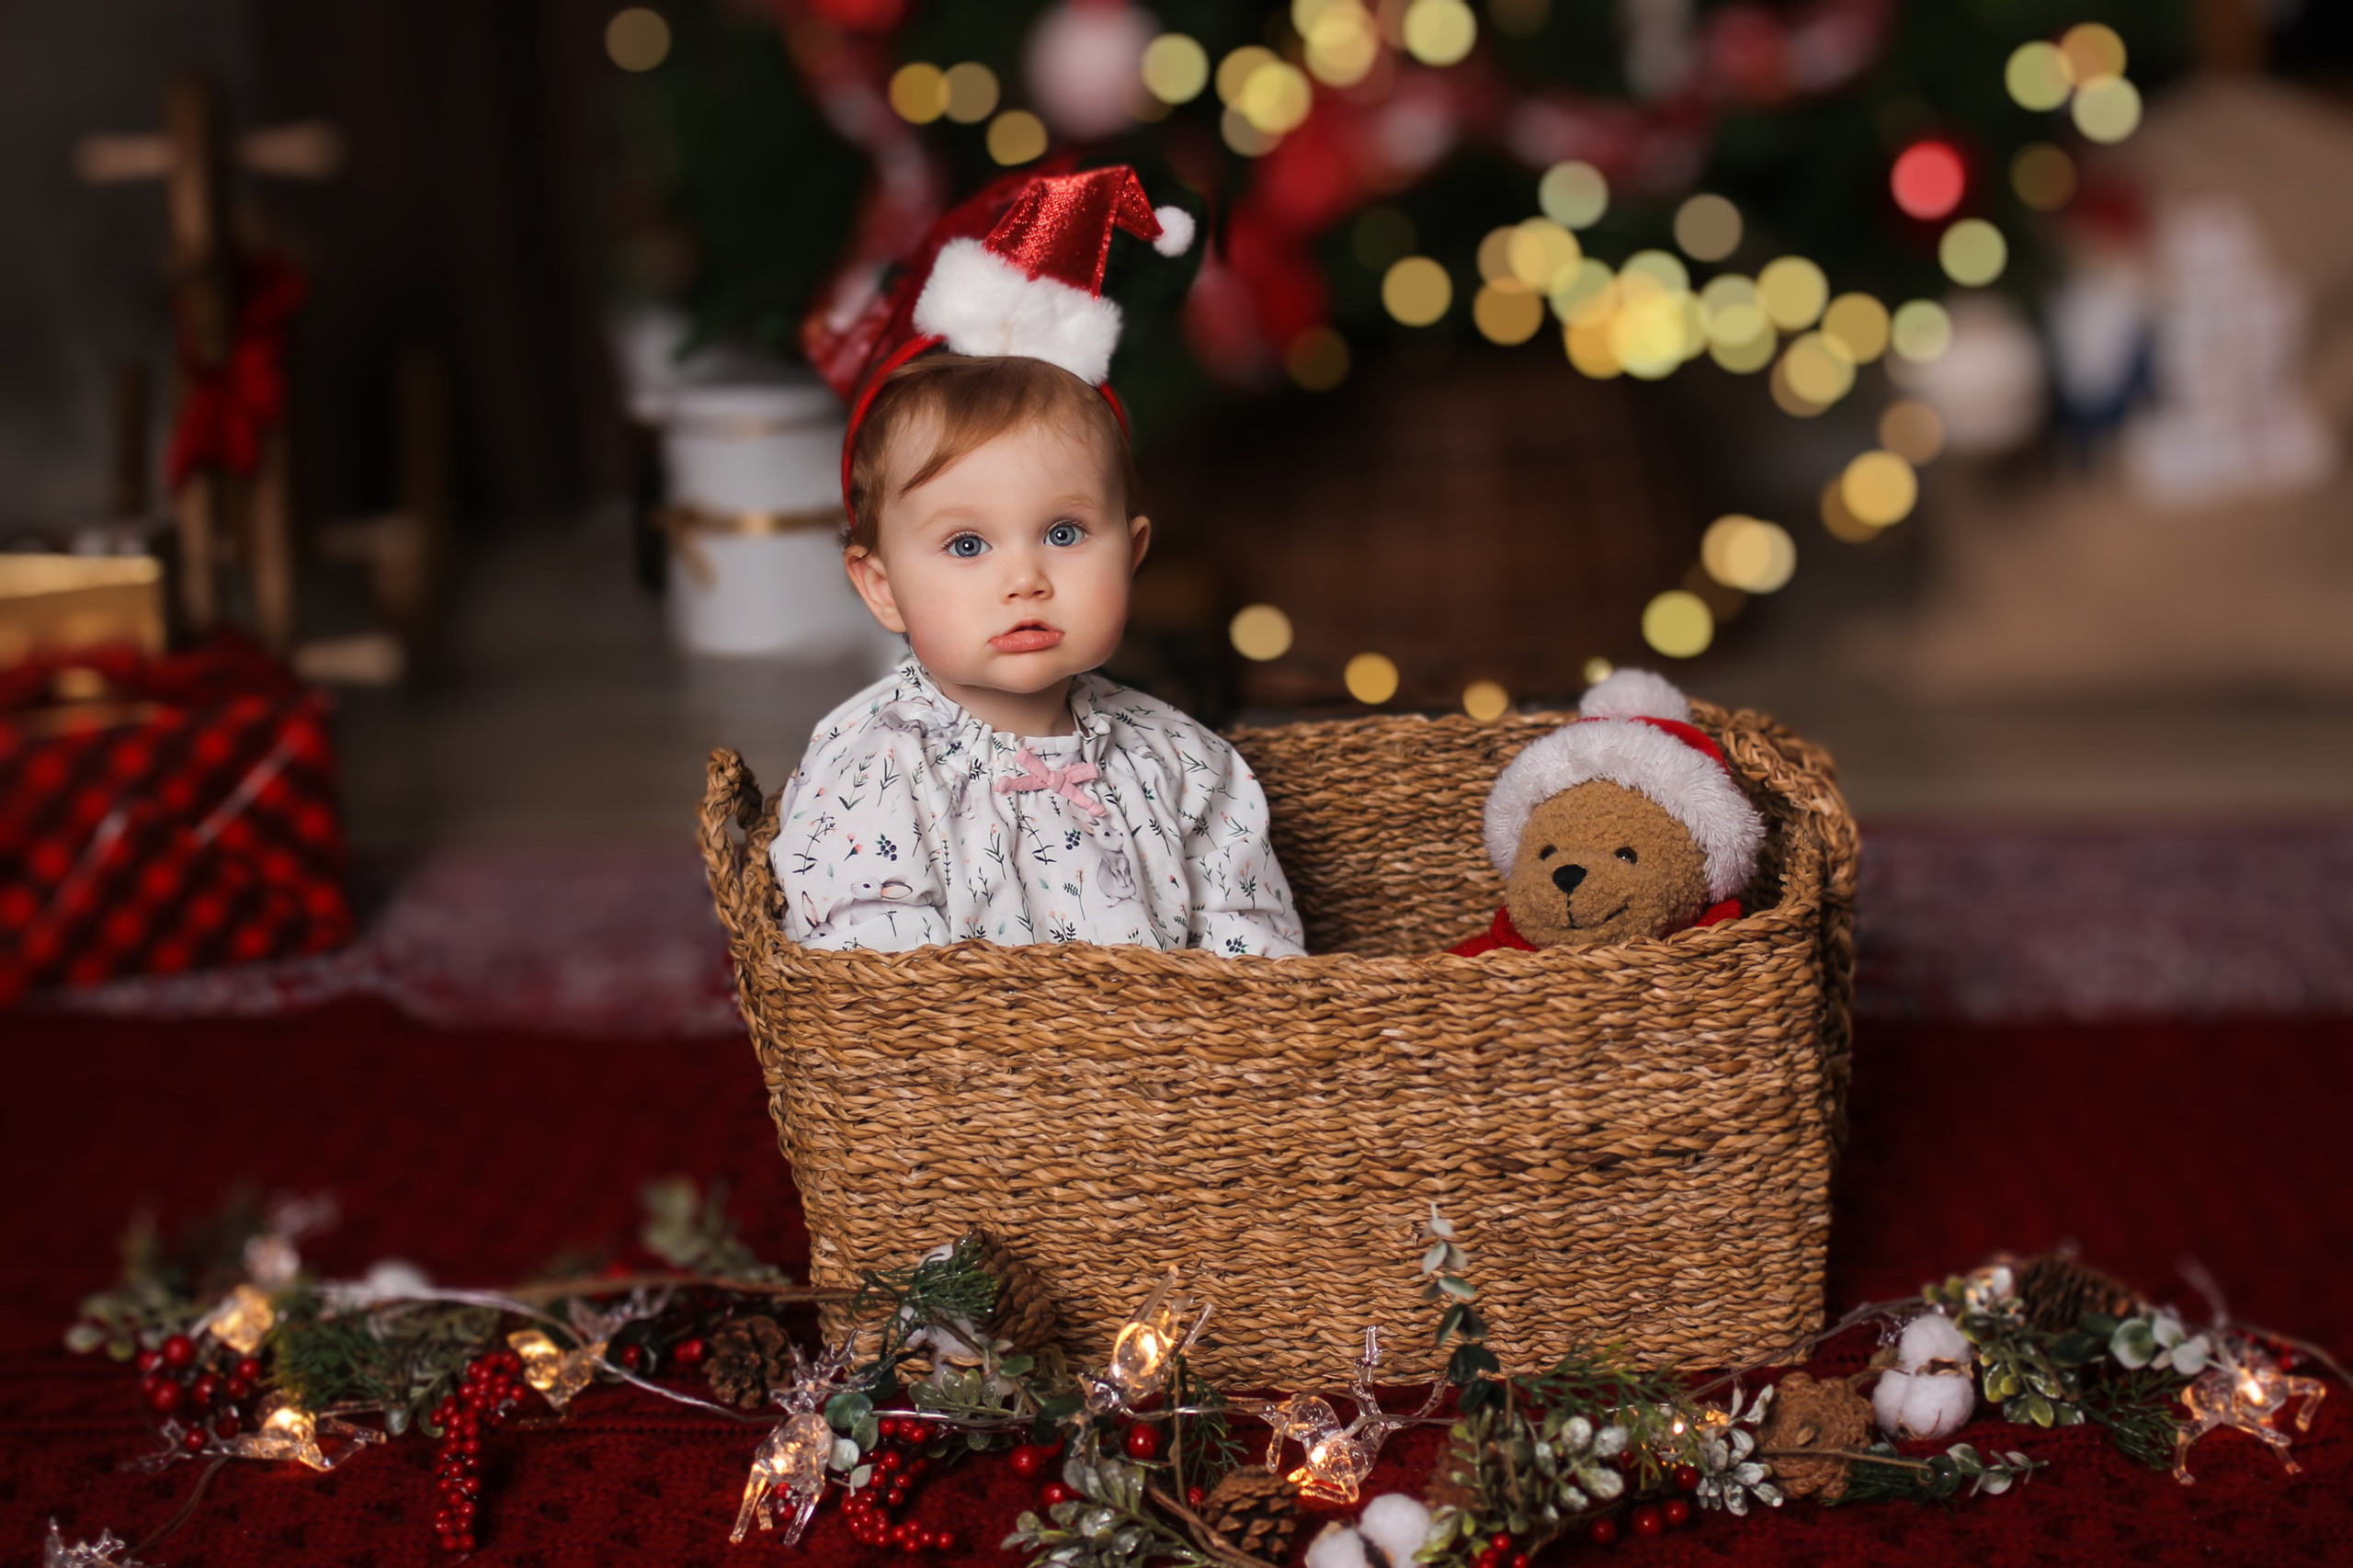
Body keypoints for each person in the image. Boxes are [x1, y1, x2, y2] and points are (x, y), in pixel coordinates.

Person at [772, 168, 1303, 958]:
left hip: (1169, 1074)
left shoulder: (1185, 764)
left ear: (1135, 552)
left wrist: (1223, 1044)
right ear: (882, 588)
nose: (1025, 579)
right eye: (967, 545)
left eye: (1062, 533)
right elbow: (868, 975)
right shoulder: (874, 769)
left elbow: (1254, 942)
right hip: (963, 1075)